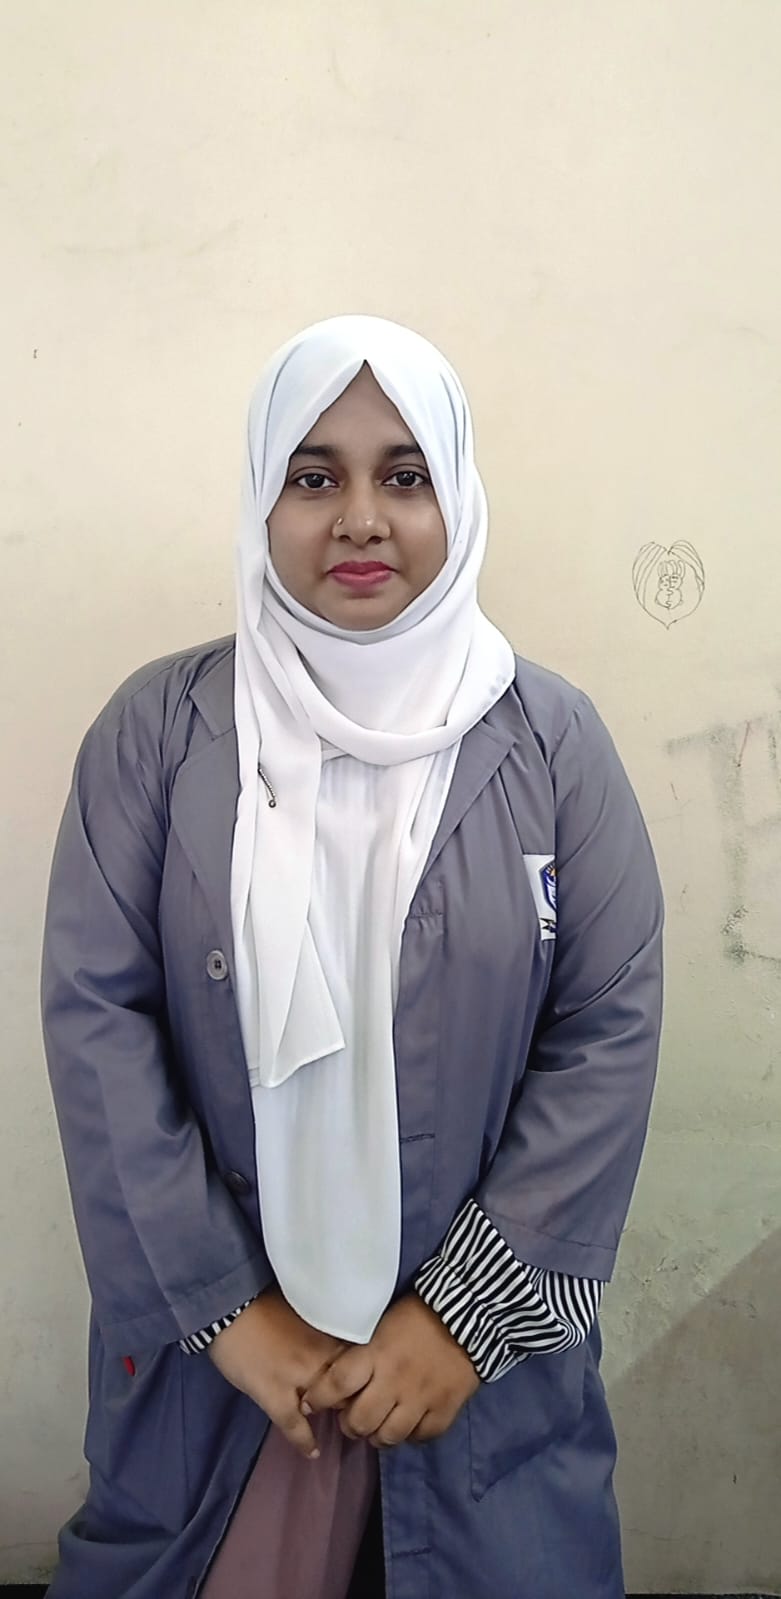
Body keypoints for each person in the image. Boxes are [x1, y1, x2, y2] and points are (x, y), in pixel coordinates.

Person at [41, 315, 664, 1599]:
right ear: (261, 499)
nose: (361, 519)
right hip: (232, 1386)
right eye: (314, 476)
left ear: (457, 497)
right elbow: (99, 1027)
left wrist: (465, 1321)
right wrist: (227, 1313)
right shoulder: (156, 738)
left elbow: (606, 1032)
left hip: (475, 1385)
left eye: (405, 474)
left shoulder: (551, 744)